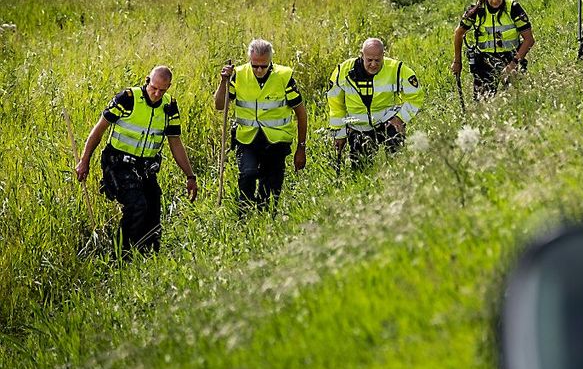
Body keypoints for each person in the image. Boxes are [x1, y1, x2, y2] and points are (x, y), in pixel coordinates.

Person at [75, 65, 198, 256]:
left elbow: (175, 144)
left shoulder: (169, 107)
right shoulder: (127, 99)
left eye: (162, 90)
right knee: (136, 204)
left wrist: (190, 176)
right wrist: (85, 160)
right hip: (117, 164)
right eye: (153, 88)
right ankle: (119, 256)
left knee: (153, 207)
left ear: (169, 87)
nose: (156, 94)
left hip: (146, 167)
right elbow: (99, 130)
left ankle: (148, 256)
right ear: (147, 80)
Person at [215, 38, 307, 214]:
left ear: (270, 61)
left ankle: (265, 223)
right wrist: (223, 82)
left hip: (276, 142)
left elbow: (301, 114)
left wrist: (301, 147)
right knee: (247, 175)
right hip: (247, 139)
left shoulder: (284, 77)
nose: (258, 70)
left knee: (270, 192)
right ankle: (244, 219)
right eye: (254, 65)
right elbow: (220, 105)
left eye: (263, 66)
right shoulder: (239, 74)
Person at [327, 38, 423, 170]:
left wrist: (401, 118)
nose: (373, 64)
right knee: (360, 171)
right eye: (369, 60)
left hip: (387, 124)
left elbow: (415, 96)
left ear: (384, 55)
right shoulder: (343, 71)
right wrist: (339, 134)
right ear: (362, 55)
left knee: (397, 167)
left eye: (377, 60)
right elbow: (335, 104)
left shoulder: (396, 69)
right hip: (358, 129)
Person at [451, 0, 536, 99]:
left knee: (514, 100)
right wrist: (457, 62)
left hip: (511, 58)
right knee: (482, 104)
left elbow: (529, 40)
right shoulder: (477, 10)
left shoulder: (513, 8)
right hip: (484, 63)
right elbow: (459, 33)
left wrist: (513, 64)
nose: (495, 0)